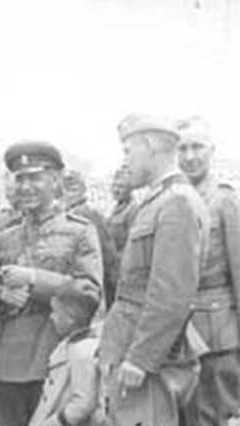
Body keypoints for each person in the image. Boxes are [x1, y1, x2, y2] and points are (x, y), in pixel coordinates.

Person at [0, 141, 103, 426]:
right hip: (5, 361)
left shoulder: (80, 231)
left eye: (35, 178)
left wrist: (34, 279)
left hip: (55, 356)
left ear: (55, 181)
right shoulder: (4, 236)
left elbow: (90, 293)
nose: (26, 187)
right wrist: (0, 296)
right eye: (20, 179)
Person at [98, 114, 210, 426]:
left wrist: (140, 359)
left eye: (128, 151)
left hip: (148, 357)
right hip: (132, 342)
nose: (125, 160)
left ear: (150, 146)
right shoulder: (159, 200)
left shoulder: (177, 203)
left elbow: (171, 293)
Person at [176, 116, 240, 425]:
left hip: (217, 333)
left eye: (197, 147)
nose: (190, 156)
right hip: (177, 331)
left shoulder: (224, 200)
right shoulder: (173, 200)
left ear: (212, 150)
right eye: (182, 148)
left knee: (213, 415)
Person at [29, 281, 103, 426]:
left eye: (55, 312)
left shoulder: (81, 353)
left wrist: (56, 422)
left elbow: (84, 403)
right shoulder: (69, 345)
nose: (51, 317)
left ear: (70, 318)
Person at [63, 169, 119, 311]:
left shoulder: (87, 214)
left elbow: (108, 254)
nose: (69, 195)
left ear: (83, 190)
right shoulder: (65, 215)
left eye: (74, 190)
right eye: (66, 190)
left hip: (92, 283)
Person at [106, 165, 139, 257]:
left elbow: (132, 246)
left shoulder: (133, 210)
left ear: (130, 189)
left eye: (121, 187)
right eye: (114, 185)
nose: (116, 190)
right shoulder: (114, 208)